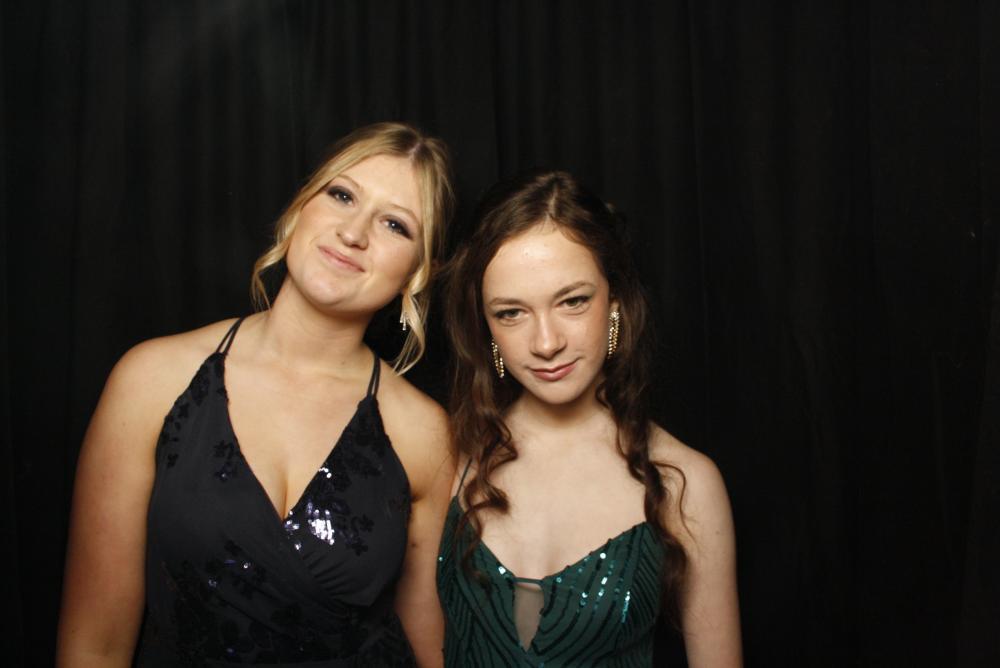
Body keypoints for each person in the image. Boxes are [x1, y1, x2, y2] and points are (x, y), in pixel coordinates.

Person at [57, 122, 456, 667]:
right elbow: (93, 647)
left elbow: (433, 650)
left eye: (395, 225)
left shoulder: (424, 433)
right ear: (300, 207)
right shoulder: (151, 380)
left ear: (418, 272)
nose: (354, 233)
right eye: (342, 196)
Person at [437, 171, 742, 667]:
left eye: (572, 301)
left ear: (614, 302)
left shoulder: (683, 482)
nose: (546, 343)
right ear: (486, 325)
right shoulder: (447, 456)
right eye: (511, 313)